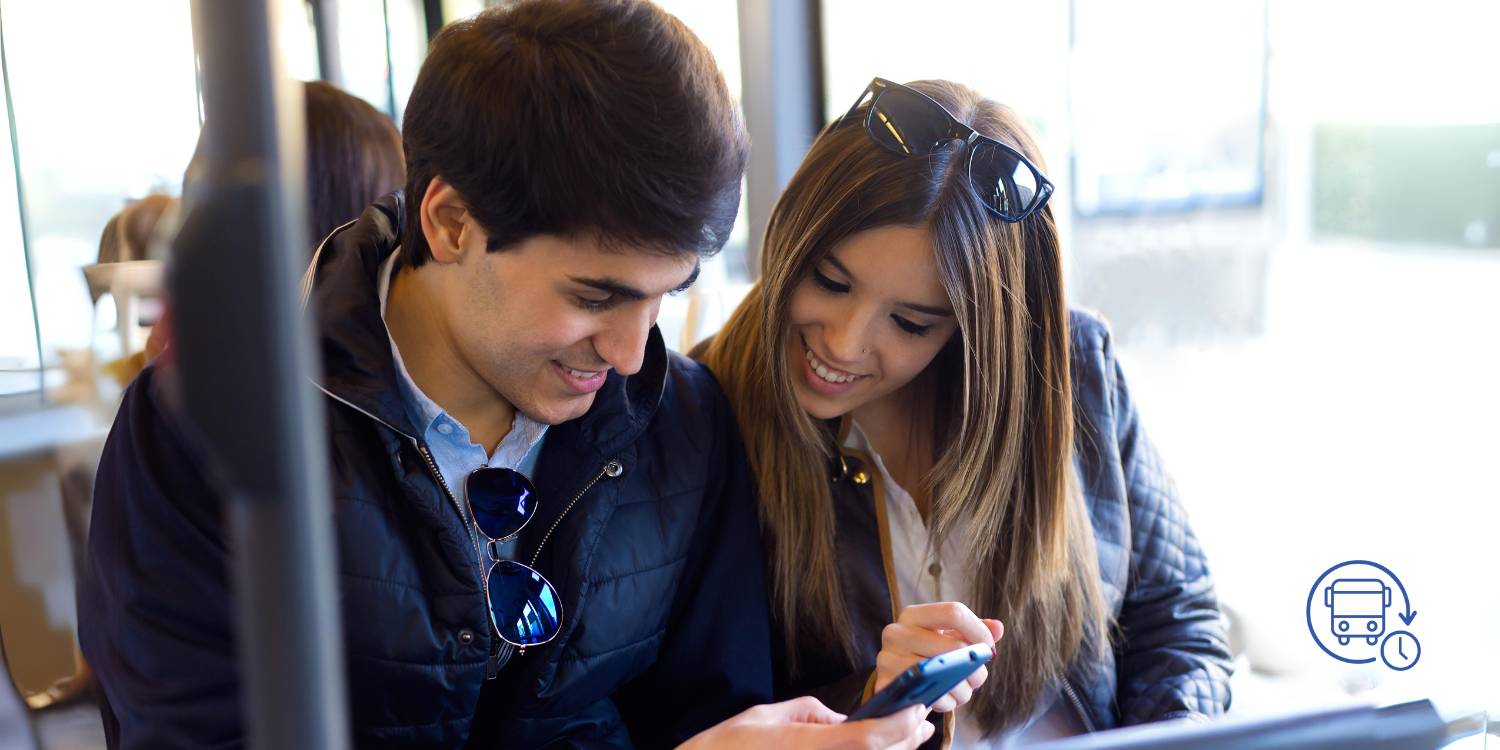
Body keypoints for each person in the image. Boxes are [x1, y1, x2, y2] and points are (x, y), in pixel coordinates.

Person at [78, 3, 924, 748]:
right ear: (450, 221)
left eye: (666, 297)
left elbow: (714, 711)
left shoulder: (683, 416)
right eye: (596, 296)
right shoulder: (204, 428)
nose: (631, 354)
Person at [696, 78, 1234, 747]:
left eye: (912, 323)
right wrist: (869, 701)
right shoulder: (707, 411)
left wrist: (1169, 737)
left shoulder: (1075, 372)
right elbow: (703, 716)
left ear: (974, 328)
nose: (843, 342)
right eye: (830, 283)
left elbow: (1178, 620)